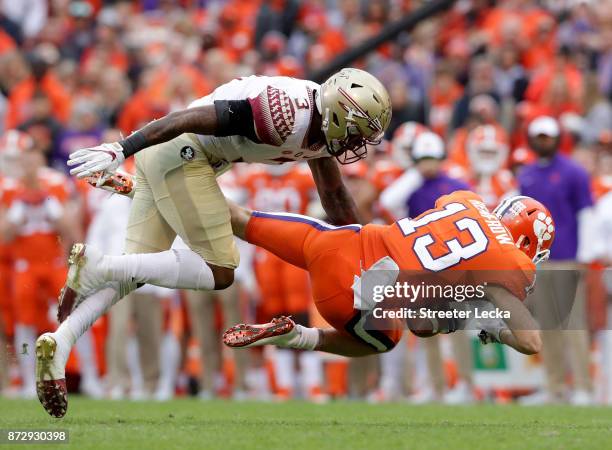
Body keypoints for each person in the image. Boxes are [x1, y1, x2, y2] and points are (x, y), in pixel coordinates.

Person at [35, 68, 391, 418]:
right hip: (181, 152)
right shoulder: (285, 112)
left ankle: (61, 341)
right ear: (338, 113)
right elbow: (187, 118)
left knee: (136, 270)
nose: (358, 145)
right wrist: (122, 147)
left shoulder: (320, 127)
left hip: (182, 158)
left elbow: (335, 196)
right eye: (357, 133)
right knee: (220, 271)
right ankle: (102, 265)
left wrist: (369, 250)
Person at [223, 191, 552, 360]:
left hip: (339, 241)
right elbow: (531, 341)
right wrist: (491, 325)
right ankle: (296, 336)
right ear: (526, 241)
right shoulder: (506, 261)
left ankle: (180, 168)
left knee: (238, 217)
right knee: (387, 340)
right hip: (350, 295)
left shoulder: (468, 201)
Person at [518, 116, 594, 405]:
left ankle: (584, 388)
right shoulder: (527, 174)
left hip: (566, 257)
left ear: (557, 138)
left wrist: (584, 255)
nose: (543, 141)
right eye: (538, 136)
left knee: (574, 325)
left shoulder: (574, 172)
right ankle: (555, 387)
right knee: (548, 327)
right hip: (539, 261)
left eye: (547, 136)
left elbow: (585, 213)